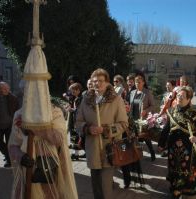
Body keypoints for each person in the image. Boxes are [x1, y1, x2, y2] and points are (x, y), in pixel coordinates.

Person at [76, 68, 128, 199]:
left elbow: (123, 124)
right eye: (94, 81)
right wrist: (87, 129)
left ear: (107, 83)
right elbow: (77, 123)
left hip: (109, 149)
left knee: (105, 189)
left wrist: (105, 130)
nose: (97, 84)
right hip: (92, 150)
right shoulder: (85, 100)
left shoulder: (116, 100)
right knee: (96, 188)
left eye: (100, 81)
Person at [8, 101, 78, 199]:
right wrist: (21, 157)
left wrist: (34, 128)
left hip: (49, 166)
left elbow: (59, 140)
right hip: (27, 170)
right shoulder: (20, 113)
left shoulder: (55, 112)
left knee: (51, 194)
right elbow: (13, 145)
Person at [158, 86, 196, 199]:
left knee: (186, 168)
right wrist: (161, 144)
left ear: (189, 99)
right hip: (173, 146)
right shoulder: (171, 111)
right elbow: (166, 129)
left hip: (188, 147)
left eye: (182, 96)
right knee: (174, 167)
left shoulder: (195, 114)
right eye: (178, 95)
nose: (179, 98)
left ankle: (184, 189)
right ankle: (176, 188)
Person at [129, 72, 156, 161]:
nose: (137, 84)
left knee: (145, 137)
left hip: (143, 119)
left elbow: (152, 106)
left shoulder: (147, 92)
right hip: (133, 118)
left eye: (139, 82)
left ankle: (152, 152)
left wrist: (145, 111)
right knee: (134, 137)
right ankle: (135, 154)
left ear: (143, 82)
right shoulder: (132, 92)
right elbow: (131, 105)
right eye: (136, 82)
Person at [0, 82, 19, 167]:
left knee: (9, 143)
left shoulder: (13, 98)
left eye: (7, 88)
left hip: (9, 125)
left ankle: (9, 160)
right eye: (4, 88)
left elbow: (17, 111)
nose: (7, 90)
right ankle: (7, 155)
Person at [67, 82, 84, 160]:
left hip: (78, 120)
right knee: (75, 137)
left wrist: (72, 110)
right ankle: (75, 153)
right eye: (71, 91)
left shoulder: (81, 99)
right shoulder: (76, 98)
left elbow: (80, 110)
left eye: (73, 91)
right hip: (75, 120)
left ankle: (77, 153)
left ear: (78, 90)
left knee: (77, 137)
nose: (72, 93)